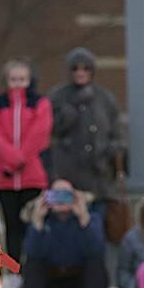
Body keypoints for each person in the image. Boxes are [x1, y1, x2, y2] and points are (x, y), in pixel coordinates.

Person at [0, 58, 53, 288]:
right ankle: (14, 272)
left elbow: (40, 134)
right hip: (4, 177)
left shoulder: (40, 103)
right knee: (11, 226)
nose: (18, 84)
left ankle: (33, 270)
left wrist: (21, 157)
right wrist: (12, 158)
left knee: (34, 225)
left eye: (22, 79)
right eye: (14, 79)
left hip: (33, 176)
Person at [22, 179, 108, 288]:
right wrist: (37, 222)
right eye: (56, 195)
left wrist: (83, 218)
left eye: (66, 195)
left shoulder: (92, 219)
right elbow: (33, 252)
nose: (61, 200)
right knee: (33, 263)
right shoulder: (42, 221)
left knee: (95, 263)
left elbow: (96, 250)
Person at [49, 47, 124, 205]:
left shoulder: (104, 97)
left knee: (99, 218)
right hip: (67, 172)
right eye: (75, 68)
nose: (80, 73)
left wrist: (111, 149)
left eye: (86, 68)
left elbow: (116, 131)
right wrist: (74, 107)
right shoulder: (58, 96)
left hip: (99, 172)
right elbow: (53, 129)